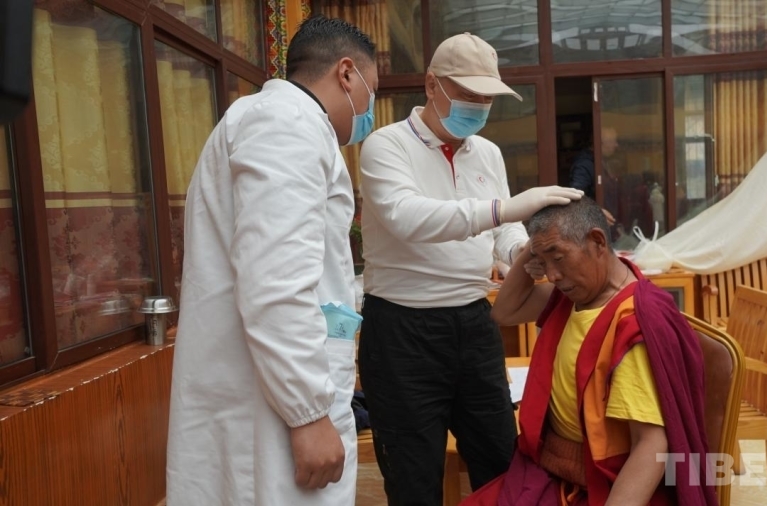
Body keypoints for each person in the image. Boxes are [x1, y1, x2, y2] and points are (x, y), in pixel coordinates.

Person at [357, 32, 583, 505]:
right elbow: (407, 218)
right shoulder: (385, 146)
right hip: (402, 331)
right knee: (414, 476)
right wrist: (506, 208)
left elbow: (503, 234)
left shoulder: (486, 153)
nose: (478, 107)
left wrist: (525, 253)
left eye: (487, 99)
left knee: (500, 461)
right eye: (468, 95)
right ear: (431, 84)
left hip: (475, 323)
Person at [167, 16, 378, 505]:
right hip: (275, 409)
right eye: (372, 93)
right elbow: (275, 281)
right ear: (346, 73)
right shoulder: (288, 126)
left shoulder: (275, 122)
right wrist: (308, 414)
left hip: (270, 389)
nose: (368, 112)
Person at [464, 198, 717, 505]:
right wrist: (535, 248)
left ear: (597, 241)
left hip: (602, 482)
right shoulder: (576, 295)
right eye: (543, 263)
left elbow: (651, 445)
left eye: (558, 258)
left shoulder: (631, 321)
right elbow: (504, 311)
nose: (552, 275)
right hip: (552, 469)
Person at [569, 126, 620, 227]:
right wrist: (597, 213)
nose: (616, 145)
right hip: (593, 226)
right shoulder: (584, 165)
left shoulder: (599, 160)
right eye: (613, 141)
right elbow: (575, 197)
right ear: (601, 143)